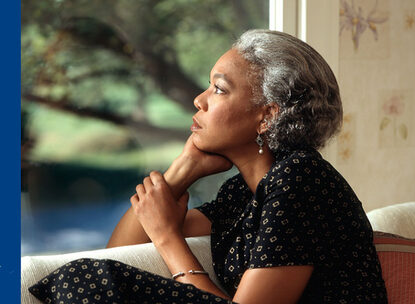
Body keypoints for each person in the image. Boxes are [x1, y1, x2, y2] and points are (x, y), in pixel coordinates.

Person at [29, 29, 387, 304]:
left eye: (218, 89)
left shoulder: (302, 181)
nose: (198, 99)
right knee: (91, 277)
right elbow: (119, 251)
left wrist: (168, 237)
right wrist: (183, 169)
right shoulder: (243, 193)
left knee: (88, 279)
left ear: (268, 116)